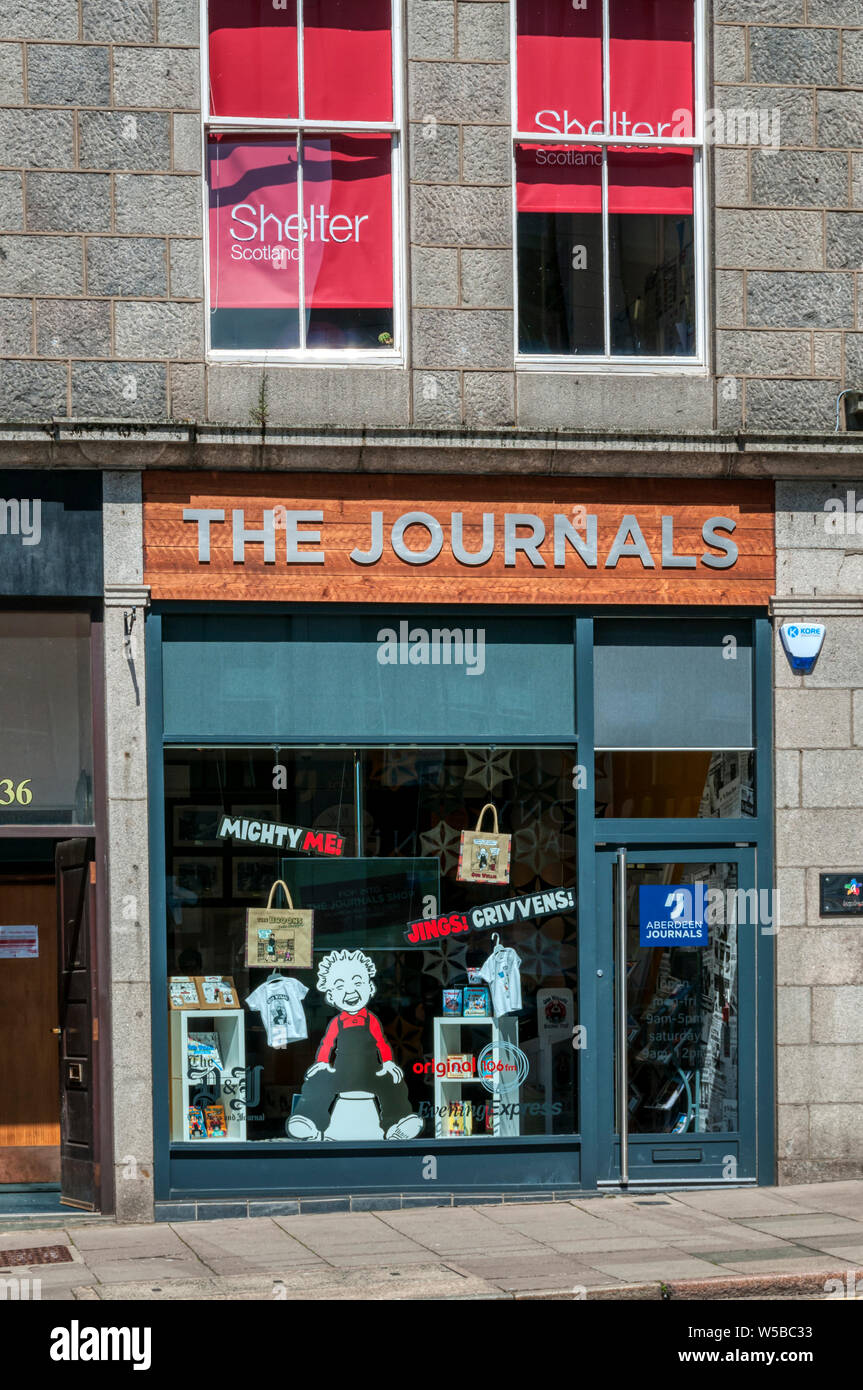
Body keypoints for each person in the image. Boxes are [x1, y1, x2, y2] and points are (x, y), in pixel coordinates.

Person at [288, 949, 423, 1141]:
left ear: (370, 988)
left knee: (393, 1083)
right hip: (342, 1072)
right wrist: (321, 1062)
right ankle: (309, 1122)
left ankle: (395, 1124)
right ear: (332, 996)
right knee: (319, 1081)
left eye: (357, 983)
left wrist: (388, 1063)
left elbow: (381, 1042)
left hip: (370, 1071)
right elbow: (327, 1043)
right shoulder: (336, 1022)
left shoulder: (372, 1020)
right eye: (340, 986)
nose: (350, 990)